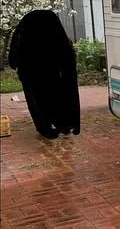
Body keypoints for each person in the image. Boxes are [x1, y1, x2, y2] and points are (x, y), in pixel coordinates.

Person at [8, 10, 80, 138]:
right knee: (56, 98)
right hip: (52, 72)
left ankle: (45, 128)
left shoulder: (25, 30)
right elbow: (67, 53)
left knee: (36, 101)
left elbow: (15, 49)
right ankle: (63, 124)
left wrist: (14, 63)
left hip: (29, 71)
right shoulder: (54, 30)